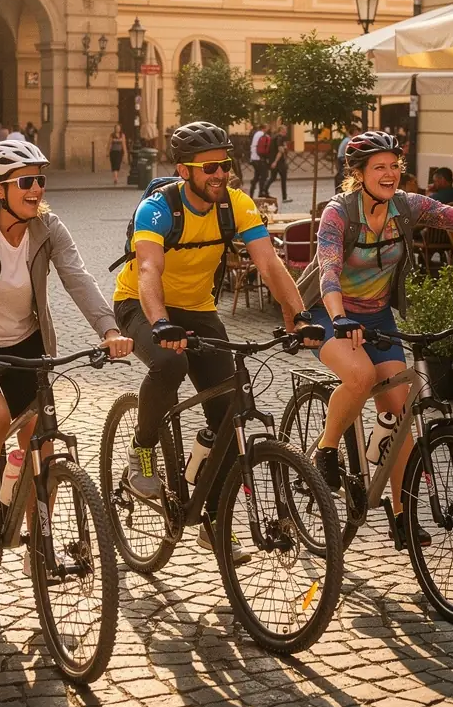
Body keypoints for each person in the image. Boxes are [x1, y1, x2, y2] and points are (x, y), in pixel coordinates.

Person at [307, 131, 453, 544]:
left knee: (400, 417)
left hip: (378, 315)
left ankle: (403, 516)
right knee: (360, 377)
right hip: (330, 313)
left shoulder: (406, 206)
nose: (390, 173)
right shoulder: (338, 213)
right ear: (358, 173)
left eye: (395, 165)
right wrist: (340, 317)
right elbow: (328, 269)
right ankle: (326, 450)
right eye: (379, 167)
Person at [112, 120, 320, 558]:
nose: (219, 174)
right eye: (208, 168)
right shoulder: (157, 209)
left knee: (229, 414)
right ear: (184, 170)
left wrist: (299, 315)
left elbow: (269, 263)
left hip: (200, 310)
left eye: (224, 165)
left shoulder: (236, 204)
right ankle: (143, 448)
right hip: (142, 303)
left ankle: (212, 520)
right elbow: (149, 270)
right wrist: (161, 322)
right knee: (171, 364)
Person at [0, 137, 133, 549]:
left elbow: (78, 279)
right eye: (26, 182)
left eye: (40, 180)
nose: (37, 189)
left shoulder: (48, 229)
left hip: (25, 344)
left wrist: (108, 330)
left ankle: (40, 546)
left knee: (43, 445)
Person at [263, 124, 290, 202]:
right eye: (285, 131)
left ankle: (264, 190)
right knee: (283, 179)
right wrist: (275, 162)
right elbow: (280, 151)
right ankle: (284, 197)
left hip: (272, 160)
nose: (286, 132)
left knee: (272, 177)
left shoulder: (274, 137)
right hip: (279, 162)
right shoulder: (280, 138)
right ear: (281, 130)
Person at [335, 122, 362, 192]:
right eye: (358, 132)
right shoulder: (349, 141)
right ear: (354, 132)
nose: (359, 134)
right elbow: (353, 152)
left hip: (341, 158)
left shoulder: (347, 139)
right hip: (342, 159)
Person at [248, 123, 270, 197]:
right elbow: (263, 148)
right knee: (264, 175)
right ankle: (261, 192)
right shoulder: (262, 135)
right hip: (259, 158)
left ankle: (251, 191)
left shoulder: (256, 134)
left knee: (257, 175)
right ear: (264, 128)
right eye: (267, 127)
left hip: (254, 158)